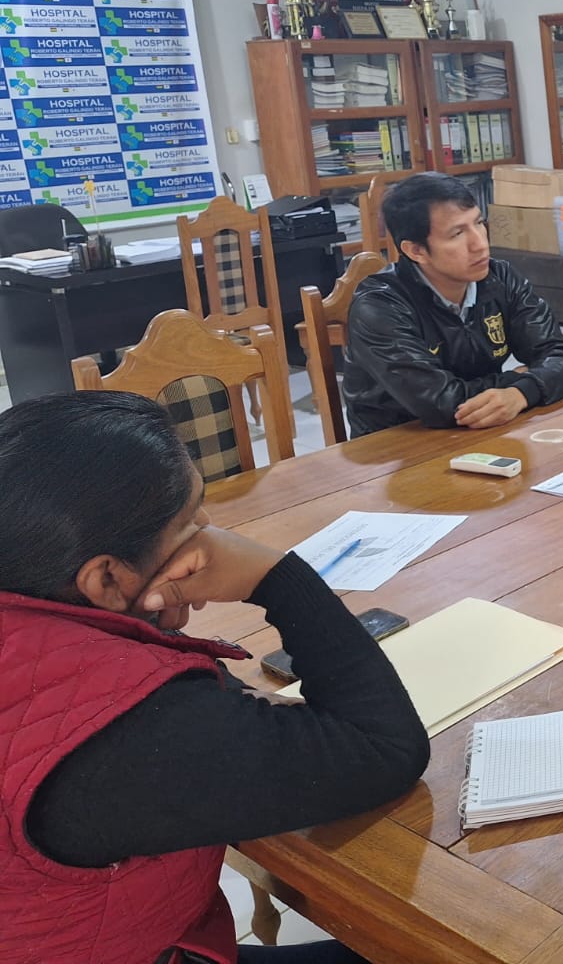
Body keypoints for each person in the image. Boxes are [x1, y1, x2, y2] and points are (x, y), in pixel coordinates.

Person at [0, 390, 430, 963]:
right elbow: (384, 750)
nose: (209, 529)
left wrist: (144, 622)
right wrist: (273, 576)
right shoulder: (121, 736)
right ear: (104, 578)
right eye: (190, 520)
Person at [342, 172, 563, 436]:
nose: (480, 244)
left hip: (481, 433)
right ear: (416, 251)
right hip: (397, 448)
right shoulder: (380, 306)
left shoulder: (499, 277)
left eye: (479, 223)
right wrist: (522, 377)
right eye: (457, 233)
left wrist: (521, 392)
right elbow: (442, 403)